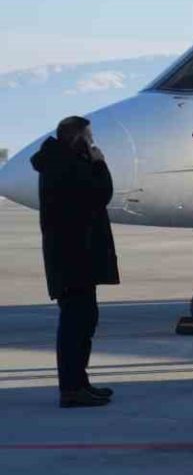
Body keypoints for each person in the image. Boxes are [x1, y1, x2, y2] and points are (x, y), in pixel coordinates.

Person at [32, 116, 120, 408]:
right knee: (75, 325)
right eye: (89, 136)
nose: (92, 142)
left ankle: (79, 383)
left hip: (73, 258)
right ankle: (72, 389)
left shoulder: (60, 162)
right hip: (74, 259)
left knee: (83, 321)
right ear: (77, 138)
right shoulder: (67, 165)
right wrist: (99, 163)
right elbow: (100, 194)